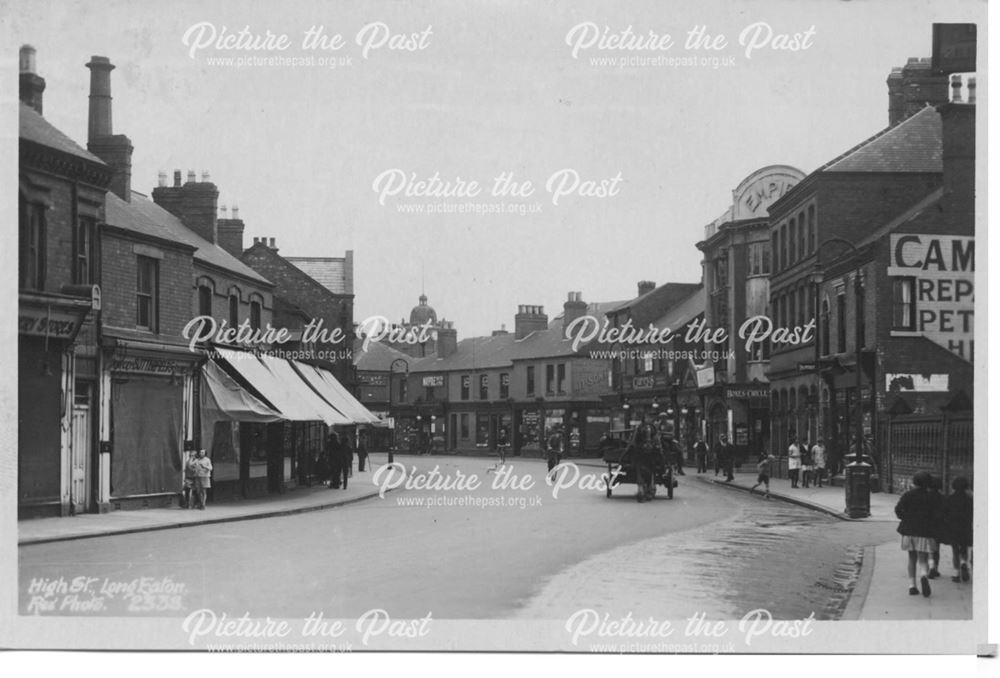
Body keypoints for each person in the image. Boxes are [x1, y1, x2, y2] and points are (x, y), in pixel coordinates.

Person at [895, 471, 941, 597]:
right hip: (924, 531)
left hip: (909, 531)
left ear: (914, 481)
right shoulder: (930, 496)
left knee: (911, 558)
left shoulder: (908, 495)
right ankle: (923, 575)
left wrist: (906, 518)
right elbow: (936, 514)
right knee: (923, 557)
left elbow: (898, 510)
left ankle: (912, 586)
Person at [940, 477, 973, 583]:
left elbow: (944, 513)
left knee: (955, 550)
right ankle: (964, 562)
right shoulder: (969, 499)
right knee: (964, 547)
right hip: (965, 526)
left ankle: (956, 574)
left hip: (953, 527)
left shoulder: (949, 499)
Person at [628, 413, 661, 503]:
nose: (648, 419)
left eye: (649, 417)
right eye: (646, 418)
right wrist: (634, 445)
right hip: (641, 447)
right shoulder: (639, 428)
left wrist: (656, 445)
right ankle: (641, 488)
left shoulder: (653, 427)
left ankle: (650, 486)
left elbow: (656, 437)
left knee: (658, 454)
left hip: (651, 447)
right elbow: (635, 438)